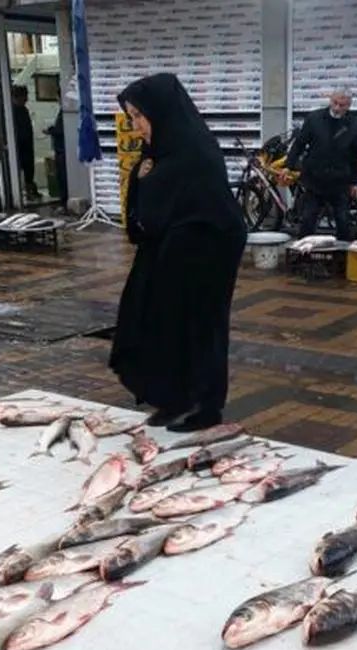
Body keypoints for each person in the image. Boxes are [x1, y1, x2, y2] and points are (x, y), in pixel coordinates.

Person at [113, 73, 247, 432]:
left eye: (140, 116)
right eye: (131, 118)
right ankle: (173, 398)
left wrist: (149, 180)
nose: (136, 126)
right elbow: (145, 209)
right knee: (159, 322)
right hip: (168, 249)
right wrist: (143, 179)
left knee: (200, 328)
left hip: (206, 252)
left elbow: (193, 206)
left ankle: (205, 406)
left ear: (162, 111)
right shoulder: (160, 150)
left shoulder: (194, 151)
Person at [283, 87, 357, 240]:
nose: (337, 108)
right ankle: (302, 252)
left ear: (349, 106)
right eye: (335, 103)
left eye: (342, 105)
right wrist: (288, 166)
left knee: (343, 221)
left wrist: (355, 181)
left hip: (339, 182)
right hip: (314, 180)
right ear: (330, 100)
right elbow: (299, 144)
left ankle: (343, 253)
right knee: (308, 219)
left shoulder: (354, 126)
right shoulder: (314, 119)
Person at [11, 85, 40, 200]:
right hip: (18, 146)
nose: (26, 99)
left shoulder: (23, 110)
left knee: (29, 169)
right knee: (20, 169)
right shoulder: (12, 111)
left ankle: (29, 190)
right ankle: (23, 192)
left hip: (27, 145)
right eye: (24, 96)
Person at [46, 111, 68, 209]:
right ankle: (63, 199)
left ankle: (64, 200)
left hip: (61, 150)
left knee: (62, 176)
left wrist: (51, 130)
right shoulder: (62, 114)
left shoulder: (64, 114)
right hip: (61, 149)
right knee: (61, 175)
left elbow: (60, 130)